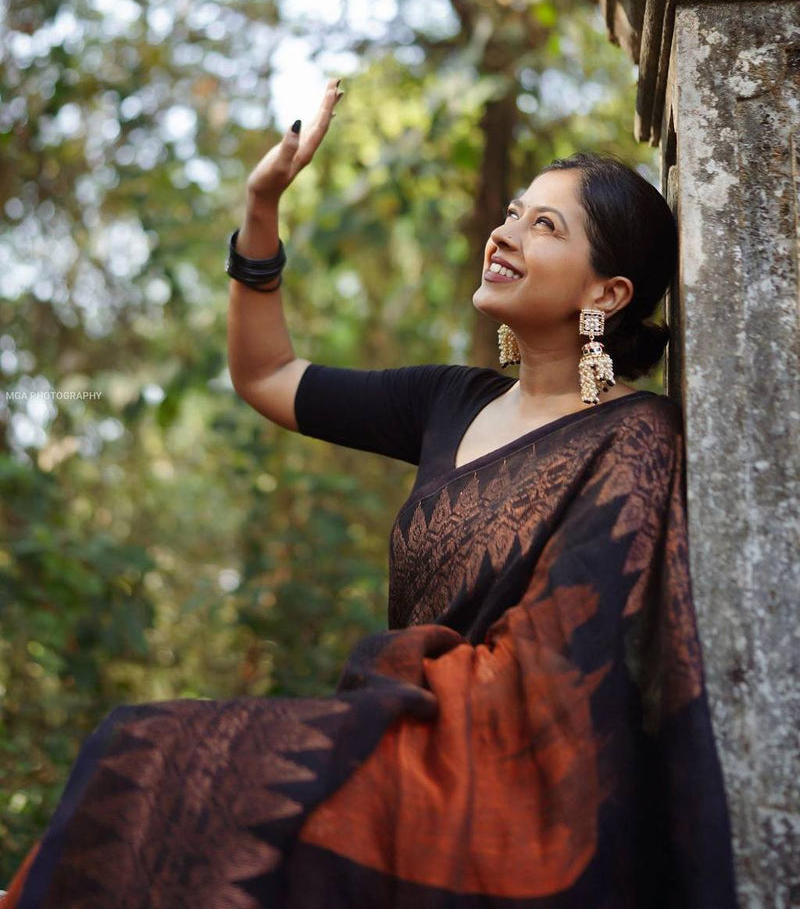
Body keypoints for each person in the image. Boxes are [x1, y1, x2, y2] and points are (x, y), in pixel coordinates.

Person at [3, 80, 738, 908]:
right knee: (143, 768)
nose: (503, 233)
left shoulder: (635, 438)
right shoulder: (446, 401)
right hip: (404, 731)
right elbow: (266, 374)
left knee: (160, 759)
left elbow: (578, 663)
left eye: (545, 224)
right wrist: (261, 203)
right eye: (513, 210)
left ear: (607, 295)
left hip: (509, 777)